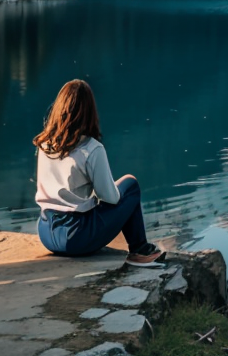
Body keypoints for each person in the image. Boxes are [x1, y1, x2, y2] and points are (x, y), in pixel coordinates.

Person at [33, 79, 165, 267]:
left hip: (46, 233)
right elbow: (110, 198)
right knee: (130, 186)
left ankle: (139, 250)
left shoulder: (45, 143)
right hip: (76, 239)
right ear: (90, 112)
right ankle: (139, 250)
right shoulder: (92, 149)